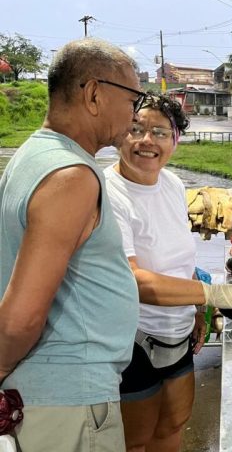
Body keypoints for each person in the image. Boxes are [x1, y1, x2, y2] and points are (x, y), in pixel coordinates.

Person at [0, 37, 144, 451]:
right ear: (95, 94)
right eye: (132, 97)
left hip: (56, 395)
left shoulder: (34, 154)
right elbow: (21, 317)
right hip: (67, 399)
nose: (135, 113)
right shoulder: (71, 177)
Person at [104, 92, 232, 452]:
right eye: (136, 129)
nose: (147, 141)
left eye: (160, 132)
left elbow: (179, 257)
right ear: (119, 134)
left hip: (177, 332)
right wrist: (210, 295)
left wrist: (197, 309)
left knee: (173, 426)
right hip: (135, 337)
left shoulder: (173, 185)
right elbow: (133, 279)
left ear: (175, 140)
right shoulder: (109, 194)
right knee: (136, 438)